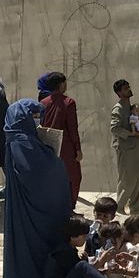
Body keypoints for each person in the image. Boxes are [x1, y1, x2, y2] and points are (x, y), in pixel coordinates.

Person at [1, 99, 70, 278]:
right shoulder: (23, 143)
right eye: (33, 115)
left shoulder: (17, 139)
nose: (37, 119)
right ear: (22, 118)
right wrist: (54, 160)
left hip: (25, 211)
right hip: (35, 213)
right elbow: (39, 174)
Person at [41, 218, 132, 278]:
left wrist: (105, 271)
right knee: (82, 265)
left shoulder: (70, 249)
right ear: (72, 237)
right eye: (83, 236)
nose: (85, 239)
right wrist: (101, 261)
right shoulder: (63, 252)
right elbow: (81, 273)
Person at [39, 72, 82, 209]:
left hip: (48, 146)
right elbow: (72, 128)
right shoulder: (69, 102)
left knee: (54, 178)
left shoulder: (43, 103)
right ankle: (69, 208)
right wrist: (78, 149)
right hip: (66, 146)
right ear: (61, 84)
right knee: (74, 178)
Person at [108, 78, 139, 216]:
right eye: (125, 88)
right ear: (119, 92)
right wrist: (131, 134)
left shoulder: (131, 107)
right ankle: (119, 208)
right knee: (127, 179)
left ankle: (135, 209)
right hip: (126, 149)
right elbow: (114, 128)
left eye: (129, 87)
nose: (129, 90)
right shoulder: (118, 108)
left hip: (137, 147)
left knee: (138, 179)